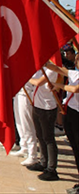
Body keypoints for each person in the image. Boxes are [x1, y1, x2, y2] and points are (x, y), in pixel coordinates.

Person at [46, 56, 79, 192]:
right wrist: (44, 62)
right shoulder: (75, 73)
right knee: (75, 147)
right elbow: (58, 69)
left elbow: (75, 89)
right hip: (70, 111)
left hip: (78, 115)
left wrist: (58, 86)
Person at [26, 67, 59, 181]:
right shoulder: (41, 69)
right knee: (40, 136)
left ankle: (52, 168)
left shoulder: (51, 70)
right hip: (37, 105)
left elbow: (38, 82)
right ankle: (43, 162)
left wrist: (26, 78)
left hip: (47, 107)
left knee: (48, 138)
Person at [10, 70, 41, 166]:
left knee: (27, 125)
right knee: (19, 123)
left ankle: (32, 154)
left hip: (26, 93)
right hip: (18, 92)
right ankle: (24, 146)